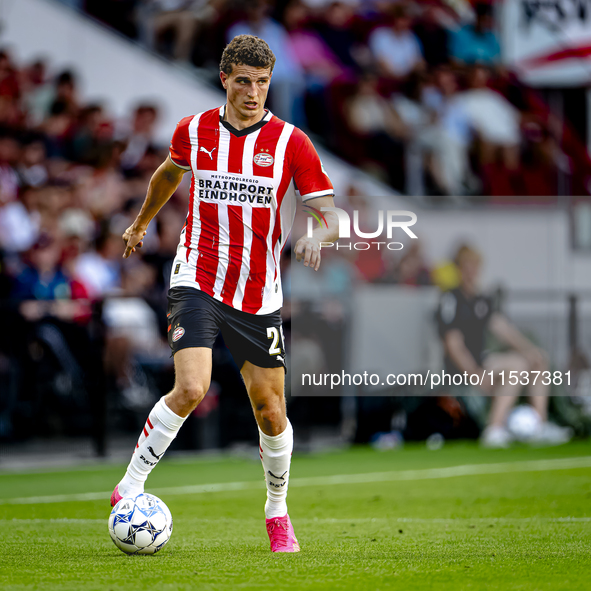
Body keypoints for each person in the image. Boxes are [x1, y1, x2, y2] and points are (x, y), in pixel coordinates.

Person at [111, 34, 339, 553]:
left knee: (270, 411)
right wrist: (140, 223)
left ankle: (277, 510)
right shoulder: (193, 131)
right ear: (225, 80)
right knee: (191, 387)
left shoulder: (290, 142)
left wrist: (316, 234)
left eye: (262, 82)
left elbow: (328, 210)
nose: (254, 92)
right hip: (197, 278)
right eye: (244, 81)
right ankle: (129, 486)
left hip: (259, 295)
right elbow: (168, 174)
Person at [437, 245, 572, 448]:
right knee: (516, 366)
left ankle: (539, 425)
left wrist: (529, 349)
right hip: (461, 371)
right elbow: (453, 345)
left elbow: (503, 329)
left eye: (475, 266)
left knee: (536, 359)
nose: (472, 271)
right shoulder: (452, 300)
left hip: (484, 362)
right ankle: (494, 427)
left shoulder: (481, 300)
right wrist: (475, 373)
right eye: (467, 266)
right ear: (458, 269)